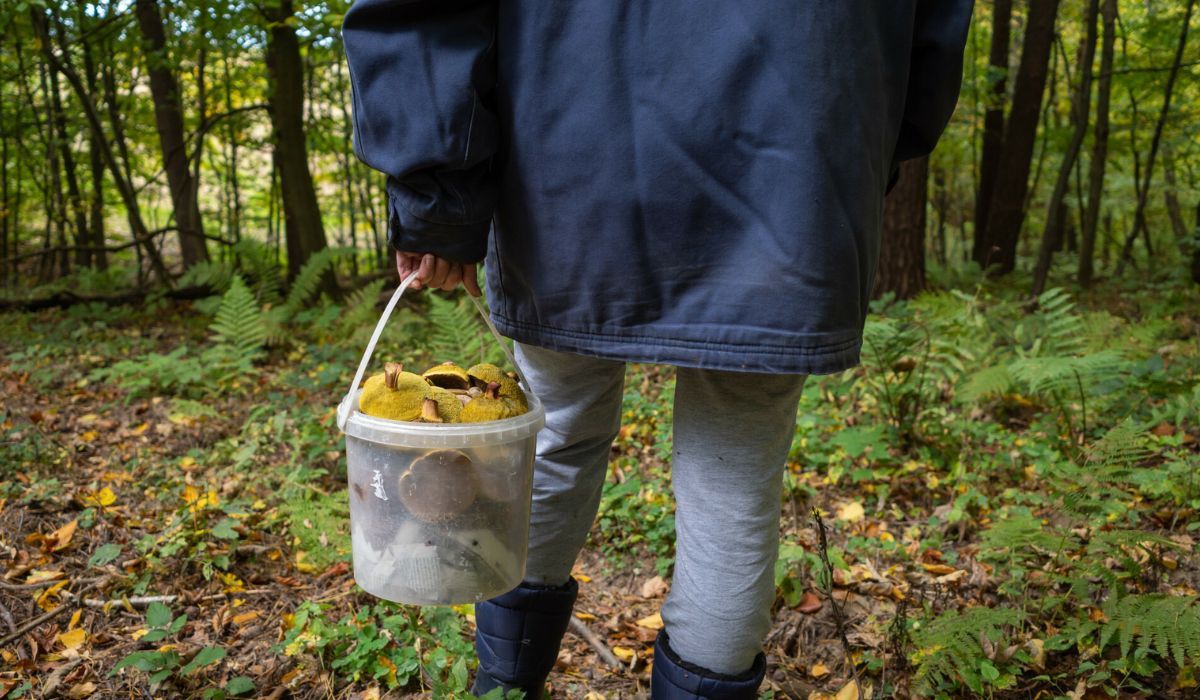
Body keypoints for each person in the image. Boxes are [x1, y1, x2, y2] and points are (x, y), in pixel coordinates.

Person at [342, 2, 972, 697]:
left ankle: (503, 685)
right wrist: (855, 148)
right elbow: (932, 30)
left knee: (551, 435)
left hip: (567, 159)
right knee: (733, 480)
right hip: (791, 159)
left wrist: (438, 198)